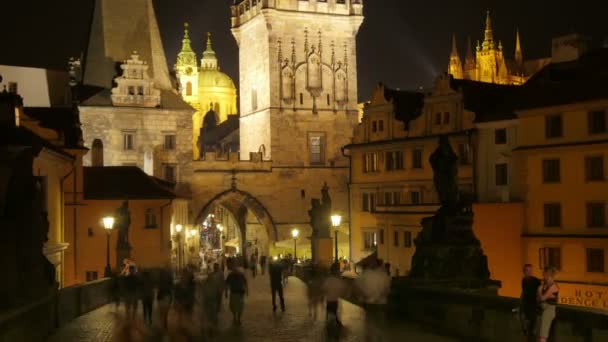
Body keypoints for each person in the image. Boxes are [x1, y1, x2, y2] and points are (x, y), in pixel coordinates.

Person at [537, 266, 559, 342]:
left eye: (544, 274)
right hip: (544, 310)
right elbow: (538, 298)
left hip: (549, 311)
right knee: (542, 334)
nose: (543, 276)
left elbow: (542, 298)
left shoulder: (553, 287)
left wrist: (539, 291)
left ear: (548, 275)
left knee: (543, 336)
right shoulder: (545, 286)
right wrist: (540, 294)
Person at [520, 264, 541, 338]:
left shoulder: (536, 281)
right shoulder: (524, 280)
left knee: (532, 325)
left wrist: (538, 302)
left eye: (530, 270)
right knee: (525, 322)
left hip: (533, 305)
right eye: (527, 271)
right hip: (526, 304)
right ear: (524, 272)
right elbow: (523, 291)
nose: (530, 272)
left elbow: (539, 293)